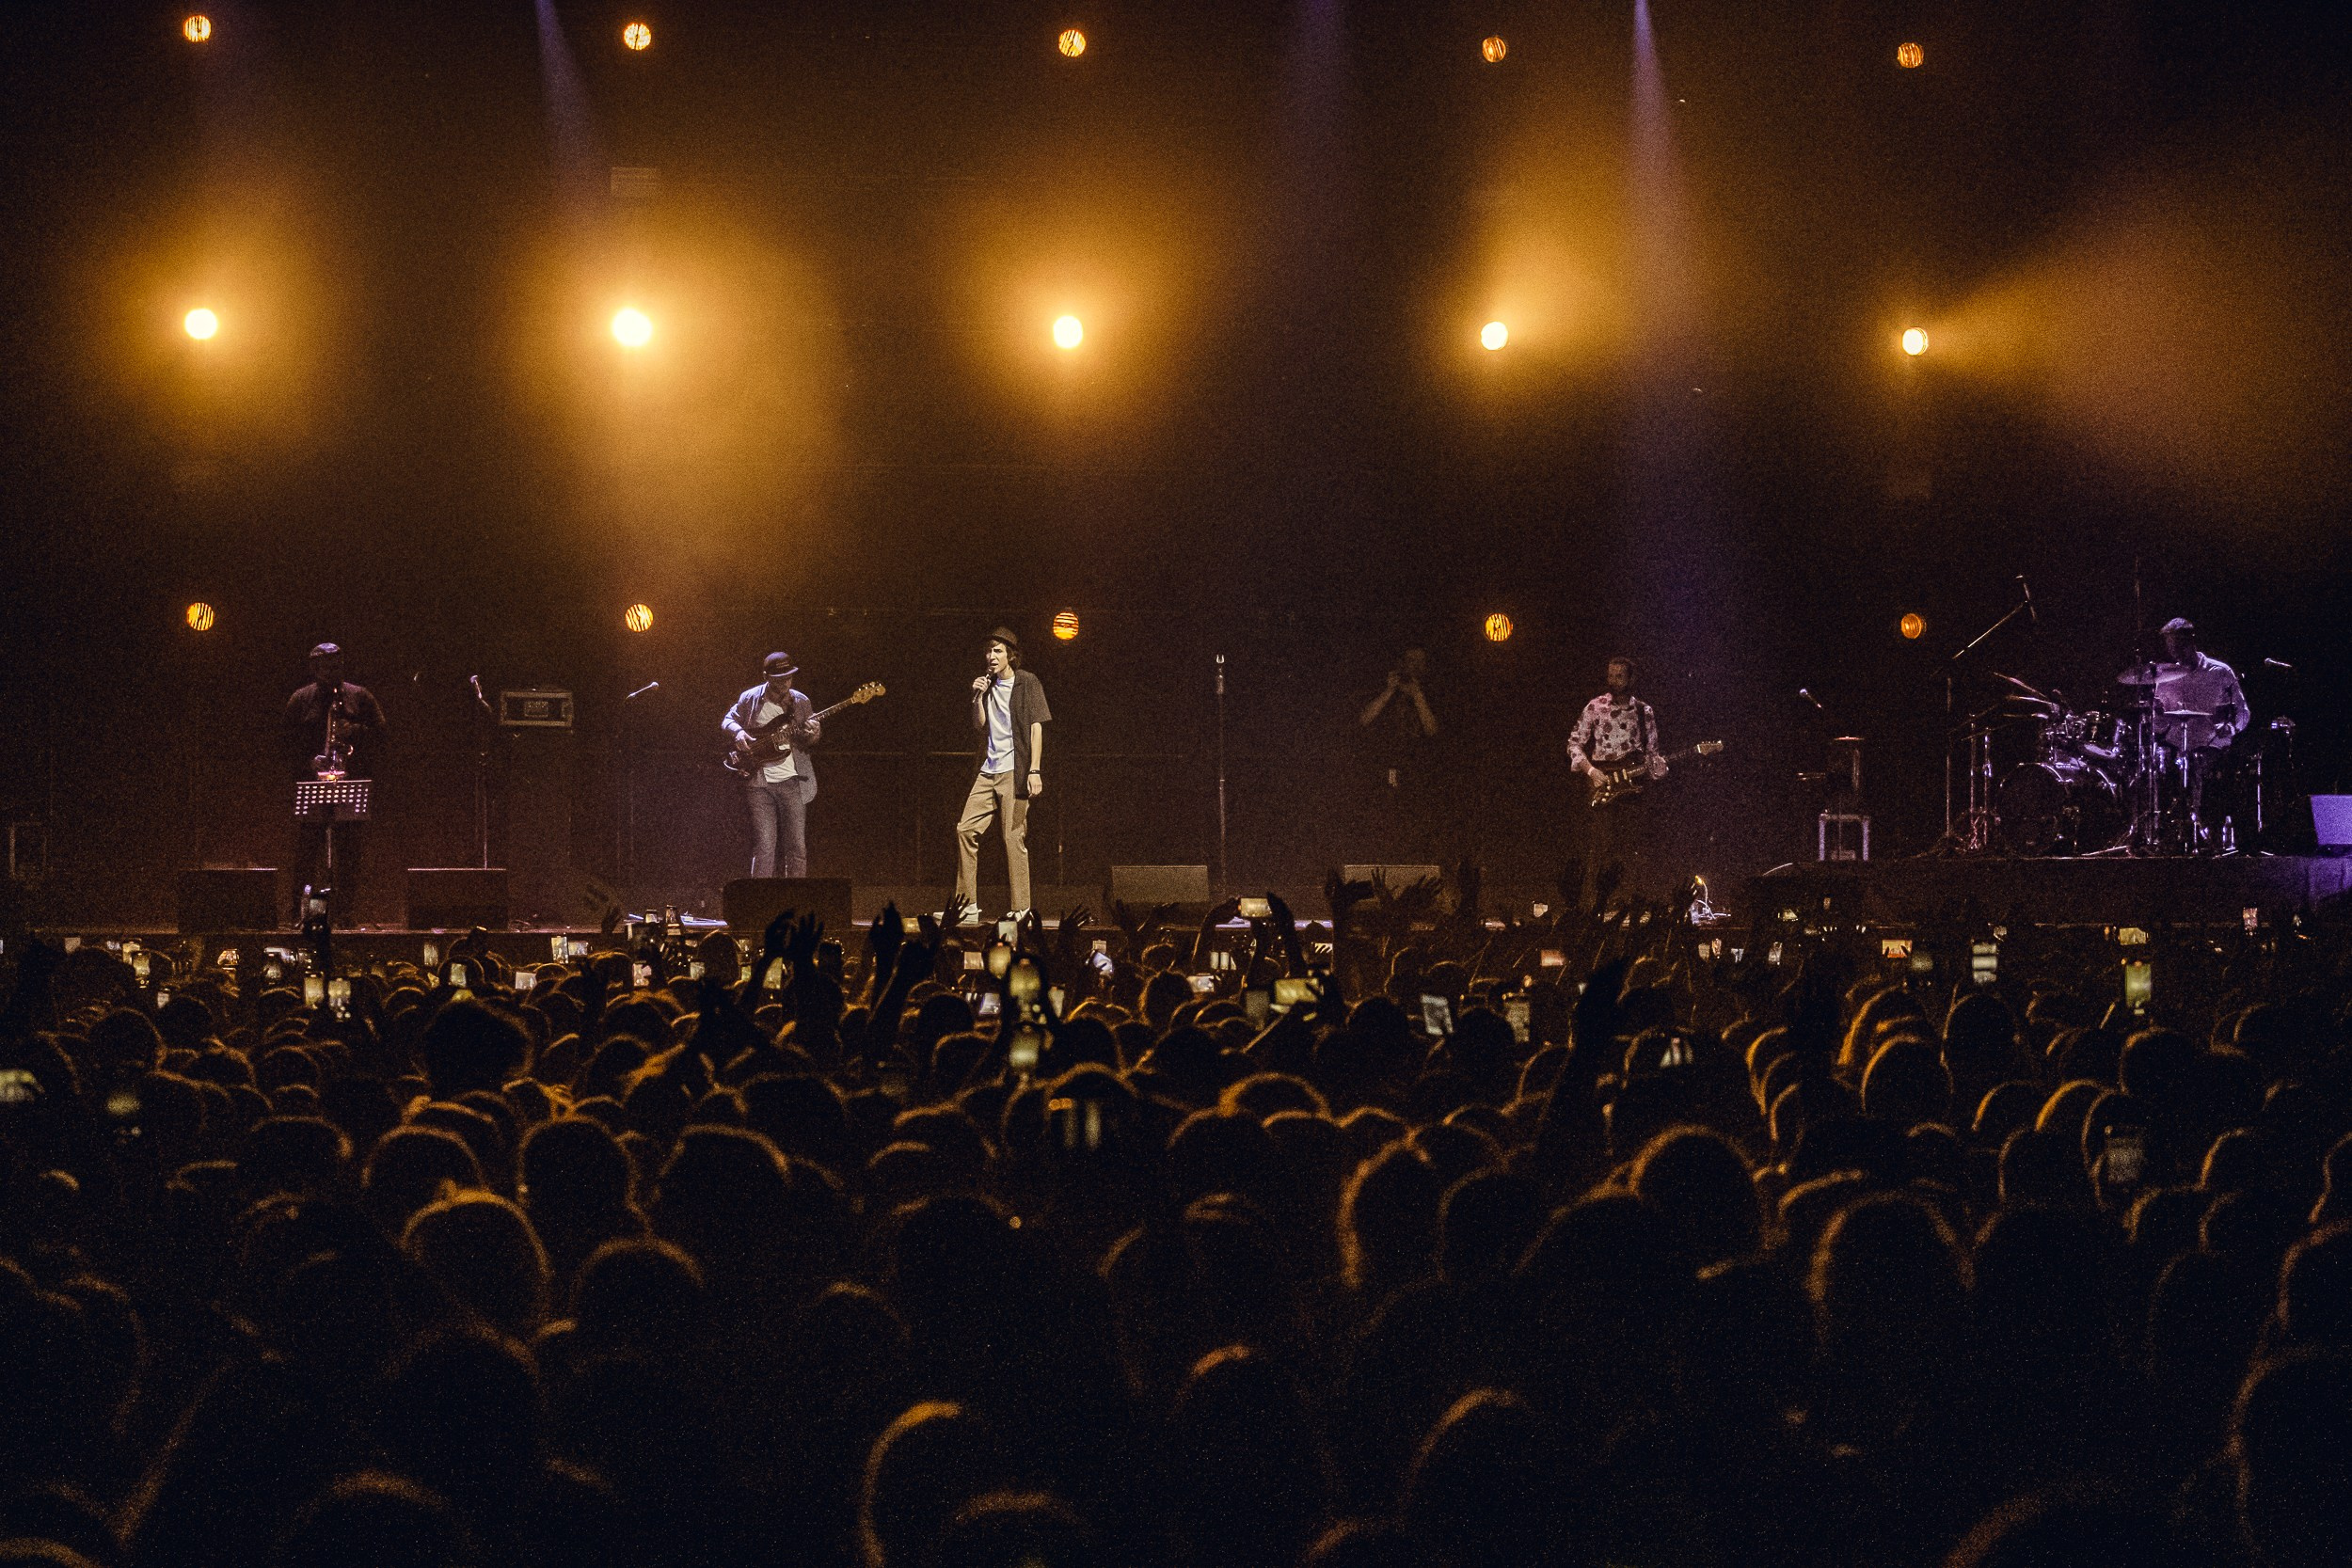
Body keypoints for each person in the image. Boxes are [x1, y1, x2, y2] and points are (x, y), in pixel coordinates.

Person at [284, 641, 388, 925]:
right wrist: (309, 761)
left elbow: (383, 734)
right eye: (327, 667)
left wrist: (352, 730)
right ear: (315, 668)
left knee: (349, 853)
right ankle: (302, 914)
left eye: (338, 665)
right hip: (313, 783)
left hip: (349, 781)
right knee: (307, 853)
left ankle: (345, 915)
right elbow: (284, 742)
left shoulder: (360, 696)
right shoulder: (301, 699)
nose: (334, 671)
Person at [957, 627, 1051, 922]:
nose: (991, 656)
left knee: (1013, 837)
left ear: (1010, 655)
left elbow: (1036, 728)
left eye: (997, 651)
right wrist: (977, 698)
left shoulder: (1027, 682)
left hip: (1015, 770)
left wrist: (1035, 769)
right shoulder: (988, 686)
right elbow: (979, 725)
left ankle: (1021, 908)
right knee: (965, 829)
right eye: (988, 651)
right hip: (988, 769)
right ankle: (967, 905)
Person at [1565, 656, 1666, 904]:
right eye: (1611, 675)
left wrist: (1659, 768)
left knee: (1633, 848)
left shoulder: (1644, 711)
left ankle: (1630, 904)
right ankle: (1590, 905)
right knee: (1599, 846)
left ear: (1631, 679)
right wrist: (1591, 771)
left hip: (1633, 787)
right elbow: (1574, 744)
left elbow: (1652, 755)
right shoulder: (1595, 706)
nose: (1614, 681)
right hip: (1604, 783)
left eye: (1619, 676)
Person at [2148, 618, 2246, 852]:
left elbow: (2242, 711)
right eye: (2170, 647)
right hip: (2176, 747)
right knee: (2156, 769)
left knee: (2202, 769)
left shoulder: (2220, 672)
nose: (2174, 652)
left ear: (2191, 641)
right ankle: (2168, 835)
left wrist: (2231, 728)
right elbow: (2159, 726)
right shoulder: (2165, 677)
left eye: (2178, 645)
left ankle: (2206, 834)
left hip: (2211, 745)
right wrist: (2157, 715)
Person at [723, 653, 821, 879]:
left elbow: (809, 741)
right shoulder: (750, 698)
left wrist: (814, 733)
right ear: (766, 677)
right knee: (765, 845)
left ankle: (794, 896)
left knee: (797, 847)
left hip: (793, 781)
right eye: (779, 678)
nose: (785, 683)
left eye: (789, 677)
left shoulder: (801, 702)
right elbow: (728, 720)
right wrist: (738, 732)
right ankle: (760, 897)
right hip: (759, 783)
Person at [1357, 648, 1440, 862]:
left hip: (1418, 765)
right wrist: (1390, 690)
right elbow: (1365, 719)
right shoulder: (1388, 687)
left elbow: (1432, 729)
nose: (1414, 666)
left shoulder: (1429, 691)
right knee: (1386, 810)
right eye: (1410, 660)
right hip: (1387, 762)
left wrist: (1417, 695)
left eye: (1419, 662)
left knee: (1416, 814)